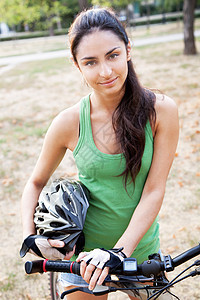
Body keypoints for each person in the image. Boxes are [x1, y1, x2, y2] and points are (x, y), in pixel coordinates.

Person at [20, 7, 179, 300]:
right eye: (90, 62)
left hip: (139, 251)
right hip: (83, 261)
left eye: (113, 55)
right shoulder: (68, 122)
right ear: (77, 65)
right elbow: (35, 182)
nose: (105, 71)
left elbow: (155, 190)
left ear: (128, 49)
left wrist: (119, 252)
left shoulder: (161, 111)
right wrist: (31, 237)